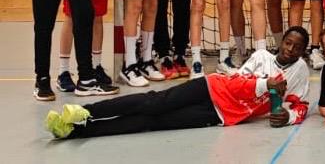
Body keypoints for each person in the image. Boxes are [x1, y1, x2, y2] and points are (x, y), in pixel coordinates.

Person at [44, 27, 311, 139]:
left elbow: (300, 106)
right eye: (288, 43)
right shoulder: (262, 56)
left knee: (152, 122)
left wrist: (287, 116)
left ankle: (78, 132)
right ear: (281, 42)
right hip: (211, 88)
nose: (290, 49)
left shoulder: (299, 71)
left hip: (220, 115)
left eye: (297, 47)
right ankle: (85, 111)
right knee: (153, 103)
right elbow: (236, 82)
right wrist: (265, 85)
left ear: (302, 52)